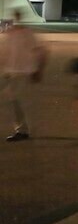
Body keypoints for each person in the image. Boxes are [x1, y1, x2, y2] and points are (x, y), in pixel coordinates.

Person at [1, 10, 46, 142]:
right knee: (14, 101)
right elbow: (7, 53)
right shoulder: (11, 34)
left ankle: (22, 130)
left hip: (23, 72)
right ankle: (22, 129)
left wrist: (39, 69)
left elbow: (40, 51)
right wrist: (6, 70)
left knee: (17, 100)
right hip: (12, 72)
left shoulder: (27, 33)